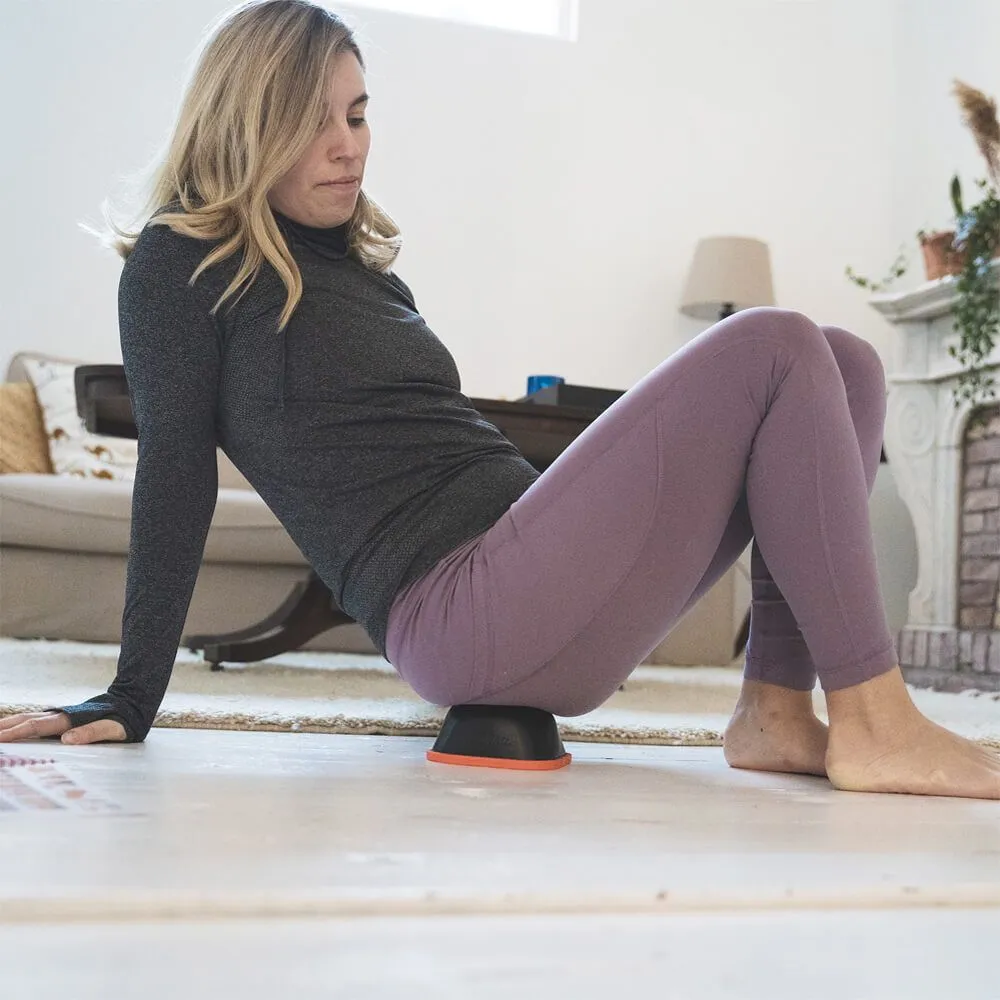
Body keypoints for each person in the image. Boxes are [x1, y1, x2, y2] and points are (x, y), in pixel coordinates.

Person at [2, 0, 998, 801]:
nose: (349, 145)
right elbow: (174, 475)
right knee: (774, 342)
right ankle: (875, 717)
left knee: (845, 360)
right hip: (457, 613)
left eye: (357, 114)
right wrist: (131, 695)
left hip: (525, 570)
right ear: (246, 125)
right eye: (314, 121)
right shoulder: (182, 263)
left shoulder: (360, 267)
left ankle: (776, 711)